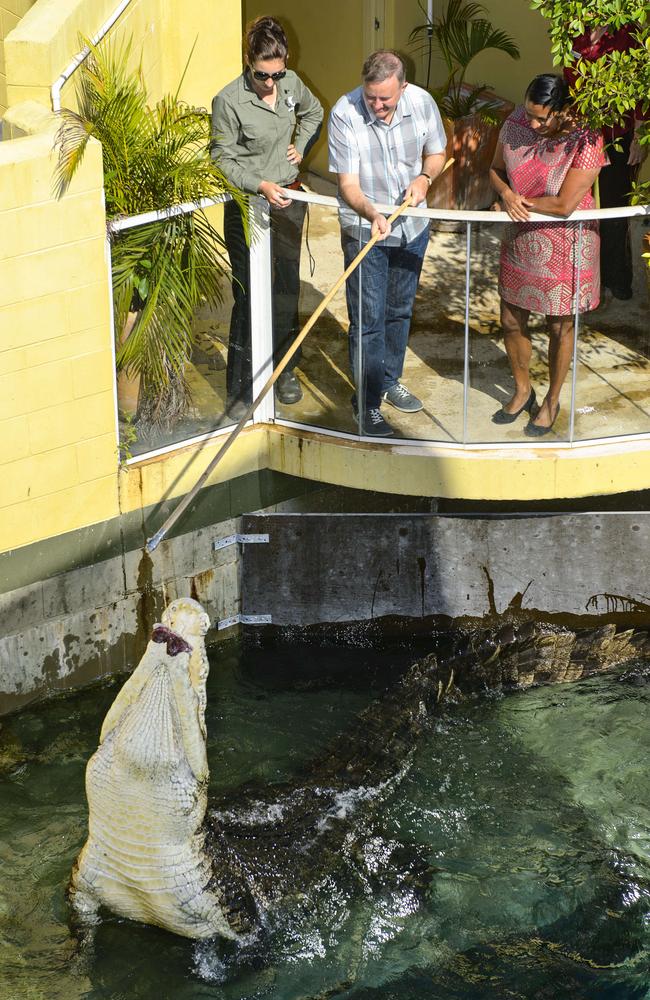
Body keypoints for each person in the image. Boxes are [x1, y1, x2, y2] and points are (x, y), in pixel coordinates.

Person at [328, 50, 447, 436]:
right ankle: (366, 405)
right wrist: (371, 213)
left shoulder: (422, 102)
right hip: (367, 229)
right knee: (367, 321)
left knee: (399, 310)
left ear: (403, 87)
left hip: (412, 228)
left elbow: (438, 153)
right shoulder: (345, 113)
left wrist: (425, 179)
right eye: (371, 97)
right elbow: (348, 185)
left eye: (386, 99)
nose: (377, 106)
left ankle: (388, 379)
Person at [211, 16, 323, 419]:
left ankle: (285, 368)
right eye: (262, 75)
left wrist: (301, 144)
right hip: (248, 207)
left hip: (289, 202)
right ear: (248, 61)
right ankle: (241, 390)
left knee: (285, 290)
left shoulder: (292, 83)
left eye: (277, 73)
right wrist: (259, 184)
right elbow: (221, 158)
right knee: (248, 295)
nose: (271, 83)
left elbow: (313, 112)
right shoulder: (228, 101)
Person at [489, 74, 607, 437]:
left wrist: (514, 201)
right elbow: (494, 169)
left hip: (566, 244)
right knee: (510, 318)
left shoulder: (586, 136)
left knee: (560, 326)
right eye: (531, 114)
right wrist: (506, 194)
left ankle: (552, 400)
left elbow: (564, 204)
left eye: (543, 118)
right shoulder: (516, 122)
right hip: (520, 233)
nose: (534, 124)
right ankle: (523, 390)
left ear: (564, 110)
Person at [565, 24, 648, 302]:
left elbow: (640, 88)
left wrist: (638, 136)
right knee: (583, 207)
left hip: (621, 135)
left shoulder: (626, 30)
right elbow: (571, 83)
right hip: (586, 134)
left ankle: (618, 278)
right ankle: (589, 280)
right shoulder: (573, 32)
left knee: (615, 208)